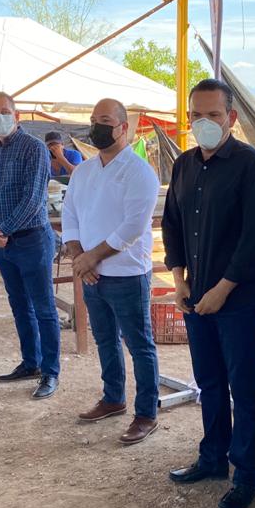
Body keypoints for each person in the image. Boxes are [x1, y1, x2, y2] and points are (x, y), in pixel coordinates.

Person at [163, 78, 255, 508]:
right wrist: (179, 279)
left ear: (231, 117)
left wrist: (222, 290)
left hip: (239, 301)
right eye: (196, 115)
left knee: (242, 388)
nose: (203, 122)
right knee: (208, 381)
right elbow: (172, 223)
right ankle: (212, 457)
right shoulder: (184, 164)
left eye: (213, 114)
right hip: (196, 296)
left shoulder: (252, 165)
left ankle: (245, 475)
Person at [62, 99, 161, 444]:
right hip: (92, 273)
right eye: (93, 120)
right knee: (104, 339)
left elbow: (133, 226)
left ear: (123, 127)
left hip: (127, 273)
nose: (97, 127)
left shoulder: (139, 172)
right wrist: (80, 256)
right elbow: (70, 214)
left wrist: (92, 257)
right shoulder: (84, 171)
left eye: (105, 120)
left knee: (139, 344)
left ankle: (146, 413)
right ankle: (113, 397)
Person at [0, 91, 59, 400]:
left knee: (44, 308)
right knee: (19, 305)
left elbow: (33, 198)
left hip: (31, 239)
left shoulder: (34, 148)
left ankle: (50, 371)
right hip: (2, 244)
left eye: (4, 111)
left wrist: (2, 231)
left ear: (17, 115)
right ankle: (30, 362)